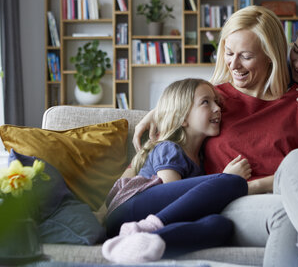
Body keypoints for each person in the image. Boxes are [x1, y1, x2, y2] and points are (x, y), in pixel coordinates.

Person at [132, 6, 298, 267]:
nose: (233, 64)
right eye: (229, 53)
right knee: (287, 214)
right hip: (232, 204)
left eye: (245, 56)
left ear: (270, 56)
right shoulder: (213, 100)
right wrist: (161, 111)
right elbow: (172, 133)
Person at [101, 78, 250, 264]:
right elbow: (173, 196)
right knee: (233, 182)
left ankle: (144, 244)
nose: (217, 108)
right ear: (183, 117)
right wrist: (225, 180)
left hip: (135, 224)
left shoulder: (201, 159)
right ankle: (148, 228)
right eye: (206, 102)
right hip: (128, 209)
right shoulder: (169, 148)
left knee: (221, 225)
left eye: (216, 102)